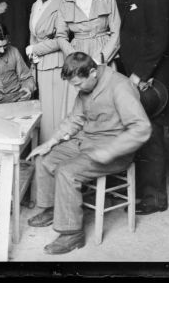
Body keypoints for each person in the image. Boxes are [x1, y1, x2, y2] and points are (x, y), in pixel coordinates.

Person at [27, 52, 151, 255]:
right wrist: (50, 142)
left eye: (77, 84)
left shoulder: (120, 87)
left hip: (113, 149)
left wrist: (110, 151)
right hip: (87, 141)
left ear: (93, 72)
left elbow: (142, 128)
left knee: (67, 172)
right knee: (44, 159)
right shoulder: (87, 86)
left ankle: (72, 233)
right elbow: (75, 119)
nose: (76, 89)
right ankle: (54, 208)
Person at [118, 0, 169, 215]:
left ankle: (154, 198)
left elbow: (158, 38)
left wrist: (139, 74)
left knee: (151, 133)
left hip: (152, 77)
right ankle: (145, 192)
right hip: (144, 72)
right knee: (143, 131)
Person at [55, 0, 121, 111]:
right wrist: (74, 58)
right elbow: (61, 36)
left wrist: (100, 59)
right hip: (77, 56)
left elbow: (116, 32)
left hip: (103, 55)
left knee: (105, 104)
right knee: (78, 106)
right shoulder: (65, 2)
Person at [25, 0, 66, 142]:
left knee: (52, 112)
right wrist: (32, 54)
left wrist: (35, 50)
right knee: (43, 109)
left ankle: (52, 150)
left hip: (55, 62)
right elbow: (33, 34)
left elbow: (61, 40)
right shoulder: (36, 4)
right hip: (39, 63)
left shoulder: (61, 3)